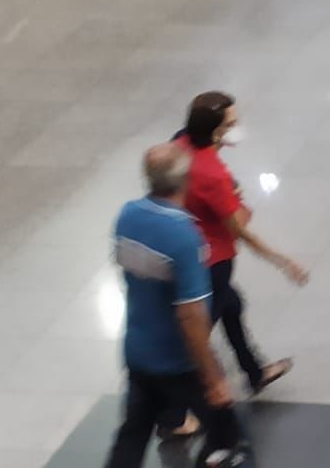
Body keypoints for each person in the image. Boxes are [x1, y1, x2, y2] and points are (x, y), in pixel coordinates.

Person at [103, 144, 243, 468]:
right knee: (226, 438)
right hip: (178, 362)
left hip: (138, 353)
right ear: (186, 180)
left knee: (132, 438)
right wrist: (212, 377)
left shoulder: (127, 215)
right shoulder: (184, 236)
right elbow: (191, 316)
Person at [174, 92, 305, 398]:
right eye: (231, 123)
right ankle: (178, 404)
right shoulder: (213, 175)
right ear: (215, 130)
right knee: (199, 331)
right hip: (213, 260)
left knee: (232, 305)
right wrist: (283, 261)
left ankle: (254, 371)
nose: (237, 126)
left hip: (188, 249)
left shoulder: (179, 144)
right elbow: (239, 229)